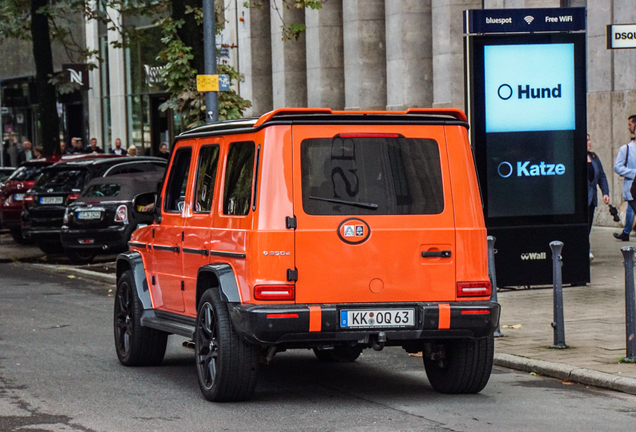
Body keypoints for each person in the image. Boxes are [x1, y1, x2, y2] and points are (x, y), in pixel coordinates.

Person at [587, 134, 610, 261]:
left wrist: (605, 193)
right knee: (582, 228)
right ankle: (585, 251)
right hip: (580, 201)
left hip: (592, 199)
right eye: (586, 140)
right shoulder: (575, 156)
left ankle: (586, 250)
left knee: (588, 226)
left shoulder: (594, 158)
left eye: (589, 140)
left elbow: (601, 176)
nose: (589, 143)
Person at [614, 114, 636, 241]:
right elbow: (617, 167)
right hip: (632, 187)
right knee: (631, 208)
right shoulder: (626, 149)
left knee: (630, 209)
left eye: (630, 125)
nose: (628, 128)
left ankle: (626, 232)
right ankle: (626, 232)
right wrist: (634, 173)